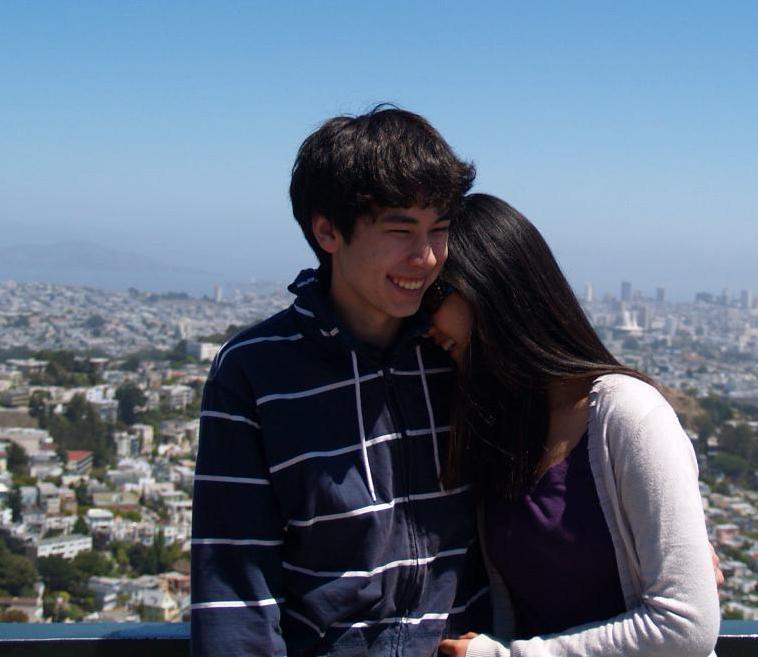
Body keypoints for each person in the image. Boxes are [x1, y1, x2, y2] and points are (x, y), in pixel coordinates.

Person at [190, 107, 489, 656]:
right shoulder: (257, 372)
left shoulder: (455, 350)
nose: (425, 257)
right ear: (327, 230)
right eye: (400, 230)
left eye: (439, 230)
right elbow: (235, 588)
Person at [430, 194, 721, 657]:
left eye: (438, 292)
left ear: (493, 287)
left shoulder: (628, 417)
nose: (428, 321)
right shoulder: (500, 428)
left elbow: (686, 627)